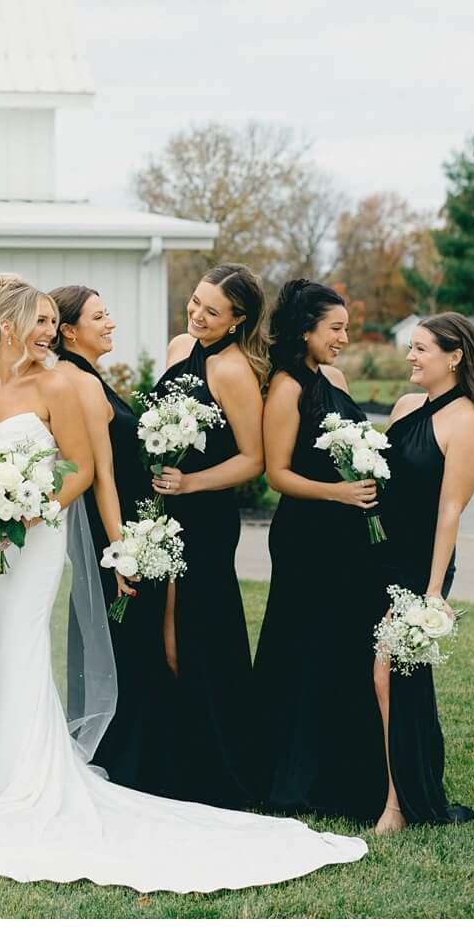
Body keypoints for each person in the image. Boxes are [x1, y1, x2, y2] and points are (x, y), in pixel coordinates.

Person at [0, 273, 366, 891]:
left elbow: (87, 469)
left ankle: (20, 780)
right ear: (10, 326)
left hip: (35, 533)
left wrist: (36, 504)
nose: (53, 332)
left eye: (55, 320)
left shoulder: (61, 382)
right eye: (42, 321)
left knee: (20, 641)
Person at [256, 279, 387, 823]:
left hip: (346, 537)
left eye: (346, 329)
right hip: (306, 535)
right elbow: (276, 473)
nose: (343, 338)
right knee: (304, 646)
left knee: (340, 646)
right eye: (335, 328)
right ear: (306, 329)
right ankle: (292, 775)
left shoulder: (328, 379)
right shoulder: (286, 386)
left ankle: (341, 765)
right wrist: (339, 491)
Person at [371, 313, 474, 831]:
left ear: (454, 357)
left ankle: (399, 802)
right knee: (379, 675)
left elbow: (450, 512)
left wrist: (430, 591)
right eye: (411, 346)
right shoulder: (406, 407)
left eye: (421, 348)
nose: (410, 356)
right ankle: (381, 780)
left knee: (391, 670)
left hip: (420, 562)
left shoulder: (468, 423)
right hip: (376, 554)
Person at [150, 263, 270, 809]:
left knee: (196, 633)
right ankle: (171, 754)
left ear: (238, 319)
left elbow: (255, 459)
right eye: (195, 302)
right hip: (160, 509)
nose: (197, 314)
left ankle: (218, 764)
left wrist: (191, 481)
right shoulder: (180, 346)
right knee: (162, 631)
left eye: (212, 311)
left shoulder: (234, 369)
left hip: (205, 516)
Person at [51, 284, 174, 794]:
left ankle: (136, 758)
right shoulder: (75, 381)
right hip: (112, 539)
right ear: (69, 330)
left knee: (130, 650)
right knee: (121, 648)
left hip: (128, 531)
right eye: (99, 316)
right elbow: (98, 473)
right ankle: (121, 762)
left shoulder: (89, 377)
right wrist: (121, 549)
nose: (111, 324)